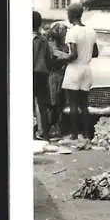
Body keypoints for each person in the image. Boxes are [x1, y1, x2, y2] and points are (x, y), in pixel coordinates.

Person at [60, 3, 98, 143]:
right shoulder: (91, 31)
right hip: (87, 69)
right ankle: (87, 134)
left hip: (74, 68)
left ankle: (74, 134)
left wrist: (61, 58)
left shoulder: (72, 31)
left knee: (73, 104)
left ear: (71, 14)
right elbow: (95, 52)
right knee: (84, 104)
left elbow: (73, 55)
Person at [46, 20, 71, 139]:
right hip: (54, 75)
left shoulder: (65, 45)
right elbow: (54, 55)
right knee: (53, 103)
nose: (65, 35)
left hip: (62, 75)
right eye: (63, 32)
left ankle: (58, 127)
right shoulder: (51, 44)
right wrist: (68, 57)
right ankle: (51, 127)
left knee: (61, 102)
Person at [33, 11, 53, 140]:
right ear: (40, 23)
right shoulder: (44, 39)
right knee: (42, 104)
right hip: (41, 74)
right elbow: (49, 59)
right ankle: (44, 133)